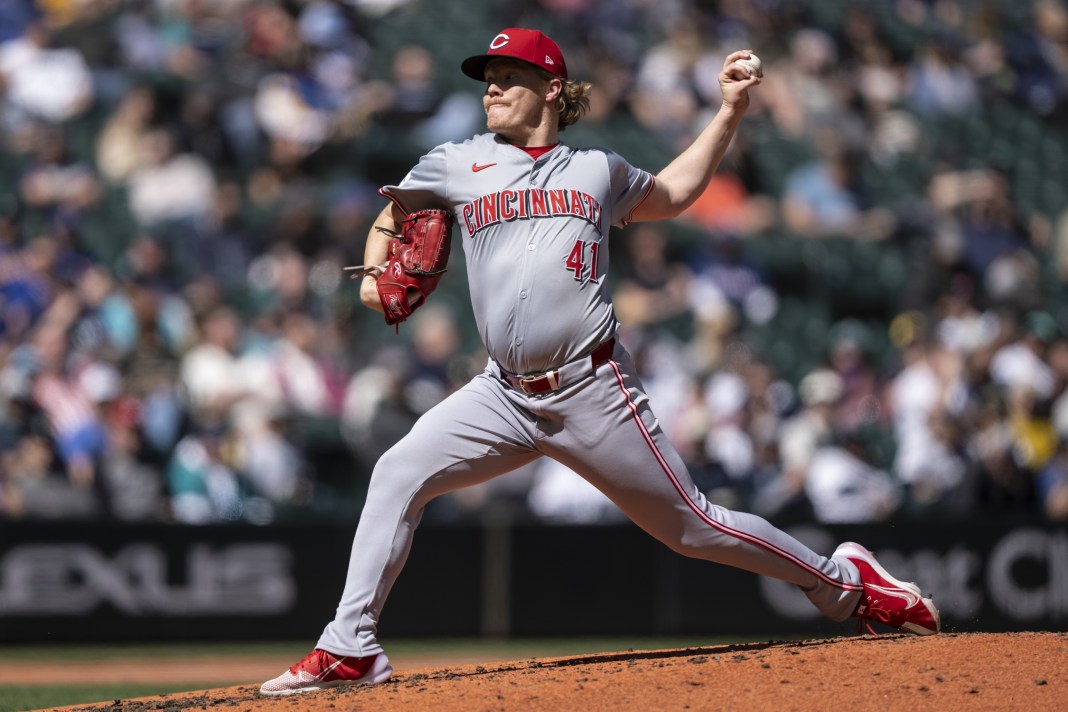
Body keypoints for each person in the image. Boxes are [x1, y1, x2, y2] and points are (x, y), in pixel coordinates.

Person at [260, 27, 941, 696]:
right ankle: (349, 647)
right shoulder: (455, 161)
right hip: (501, 394)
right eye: (487, 77)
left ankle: (848, 583)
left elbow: (674, 194)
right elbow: (396, 212)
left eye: (509, 76)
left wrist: (729, 110)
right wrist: (374, 272)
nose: (492, 87)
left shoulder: (596, 168)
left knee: (694, 527)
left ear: (551, 88)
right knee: (397, 473)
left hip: (592, 388)